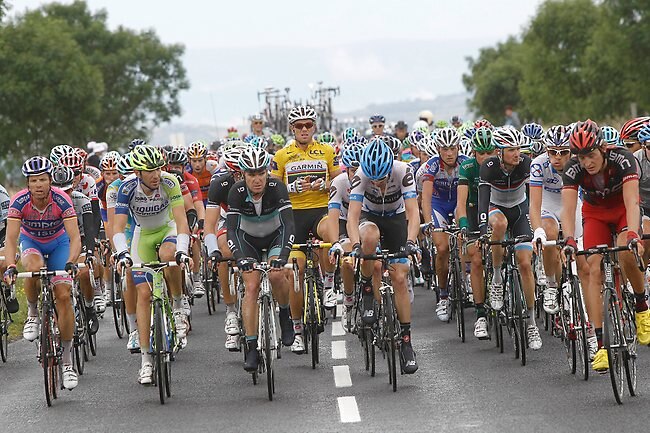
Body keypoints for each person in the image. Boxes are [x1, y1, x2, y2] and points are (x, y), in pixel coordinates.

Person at [561, 119, 650, 371]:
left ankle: (642, 308)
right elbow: (567, 210)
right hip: (595, 214)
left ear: (602, 148)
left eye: (590, 155)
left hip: (622, 209)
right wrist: (568, 237)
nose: (586, 162)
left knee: (626, 252)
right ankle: (600, 345)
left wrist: (633, 233)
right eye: (580, 157)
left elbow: (632, 201)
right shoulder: (573, 169)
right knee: (592, 270)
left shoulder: (623, 159)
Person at [113, 145, 193, 384]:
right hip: (143, 236)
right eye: (150, 171)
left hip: (167, 229)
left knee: (170, 254)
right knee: (144, 294)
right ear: (138, 172)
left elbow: (180, 221)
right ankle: (146, 360)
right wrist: (122, 254)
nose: (156, 174)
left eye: (158, 168)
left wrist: (182, 251)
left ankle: (178, 307)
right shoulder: (127, 188)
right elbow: (117, 228)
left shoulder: (169, 182)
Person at [4, 157, 82, 390]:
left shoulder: (61, 199)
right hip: (32, 243)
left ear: (50, 181)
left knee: (64, 295)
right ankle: (32, 314)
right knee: (34, 269)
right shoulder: (19, 201)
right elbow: (10, 239)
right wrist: (10, 265)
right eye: (33, 180)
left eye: (43, 180)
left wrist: (70, 262)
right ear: (27, 183)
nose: (38, 185)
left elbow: (75, 237)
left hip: (59, 244)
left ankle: (67, 362)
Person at [347, 138, 420, 374]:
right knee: (368, 239)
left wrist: (410, 242)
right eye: (373, 179)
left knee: (400, 277)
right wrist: (356, 247)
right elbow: (352, 217)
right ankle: (367, 290)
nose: (377, 183)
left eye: (382, 178)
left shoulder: (403, 171)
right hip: (371, 217)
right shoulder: (361, 175)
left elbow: (413, 213)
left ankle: (407, 342)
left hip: (396, 219)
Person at [271, 105, 340, 354]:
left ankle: (330, 284)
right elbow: (273, 188)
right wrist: (292, 189)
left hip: (320, 210)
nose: (303, 129)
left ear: (314, 127)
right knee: (296, 275)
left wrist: (325, 183)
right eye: (298, 126)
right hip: (293, 216)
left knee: (330, 234)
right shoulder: (282, 155)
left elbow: (339, 179)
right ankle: (297, 330)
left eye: (308, 125)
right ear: (292, 129)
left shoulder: (327, 150)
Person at [225, 147, 295, 371]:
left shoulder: (277, 188)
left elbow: (288, 225)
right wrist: (239, 257)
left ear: (267, 172)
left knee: (276, 275)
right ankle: (252, 345)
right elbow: (232, 230)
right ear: (243, 175)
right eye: (251, 174)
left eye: (261, 173)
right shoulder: (236, 192)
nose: (257, 179)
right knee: (252, 285)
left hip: (275, 237)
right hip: (248, 241)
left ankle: (285, 313)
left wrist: (283, 256)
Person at [478, 127, 542, 350]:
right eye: (512, 149)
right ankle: (496, 277)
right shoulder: (488, 167)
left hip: (520, 210)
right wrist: (481, 230)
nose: (518, 153)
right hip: (496, 209)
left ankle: (532, 322)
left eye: (519, 148)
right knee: (499, 224)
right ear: (499, 152)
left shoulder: (526, 164)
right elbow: (483, 202)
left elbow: (535, 198)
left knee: (525, 264)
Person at [204, 143, 250, 350]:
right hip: (227, 220)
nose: (242, 178)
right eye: (236, 173)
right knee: (224, 251)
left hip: (254, 221)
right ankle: (231, 311)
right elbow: (210, 225)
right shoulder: (219, 183)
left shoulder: (263, 181)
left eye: (245, 172)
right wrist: (212, 249)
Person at [420, 127, 467, 321]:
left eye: (453, 148)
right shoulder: (430, 166)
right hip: (438, 205)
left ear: (458, 148)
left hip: (458, 203)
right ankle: (443, 295)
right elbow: (426, 199)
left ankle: (466, 278)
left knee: (464, 237)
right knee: (442, 249)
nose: (449, 153)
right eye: (445, 149)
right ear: (438, 150)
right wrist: (429, 222)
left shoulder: (464, 163)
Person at [456, 127, 497, 339]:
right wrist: (463, 225)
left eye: (490, 152)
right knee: (476, 257)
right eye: (482, 153)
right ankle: (480, 314)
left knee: (506, 251)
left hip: (496, 211)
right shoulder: (467, 167)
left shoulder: (501, 166)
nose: (486, 157)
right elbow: (461, 204)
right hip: (473, 211)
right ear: (474, 153)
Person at [327, 143, 364, 331]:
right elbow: (332, 218)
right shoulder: (339, 182)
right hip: (343, 221)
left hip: (363, 219)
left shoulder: (370, 179)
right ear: (346, 170)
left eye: (359, 169)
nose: (356, 174)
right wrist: (334, 243)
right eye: (352, 170)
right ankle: (349, 300)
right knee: (348, 260)